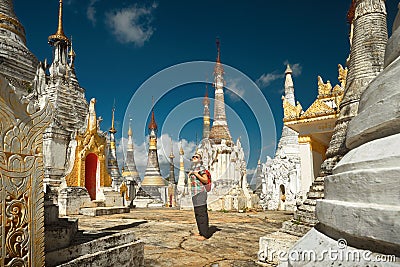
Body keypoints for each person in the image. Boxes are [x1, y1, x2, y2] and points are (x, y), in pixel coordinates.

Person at [188, 153, 210, 241]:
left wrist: (196, 174)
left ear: (200, 160)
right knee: (197, 213)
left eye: (196, 157)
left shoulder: (201, 168)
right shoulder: (193, 169)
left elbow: (205, 180)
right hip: (194, 193)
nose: (194, 158)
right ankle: (201, 231)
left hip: (201, 192)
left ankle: (205, 234)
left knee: (201, 213)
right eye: (193, 156)